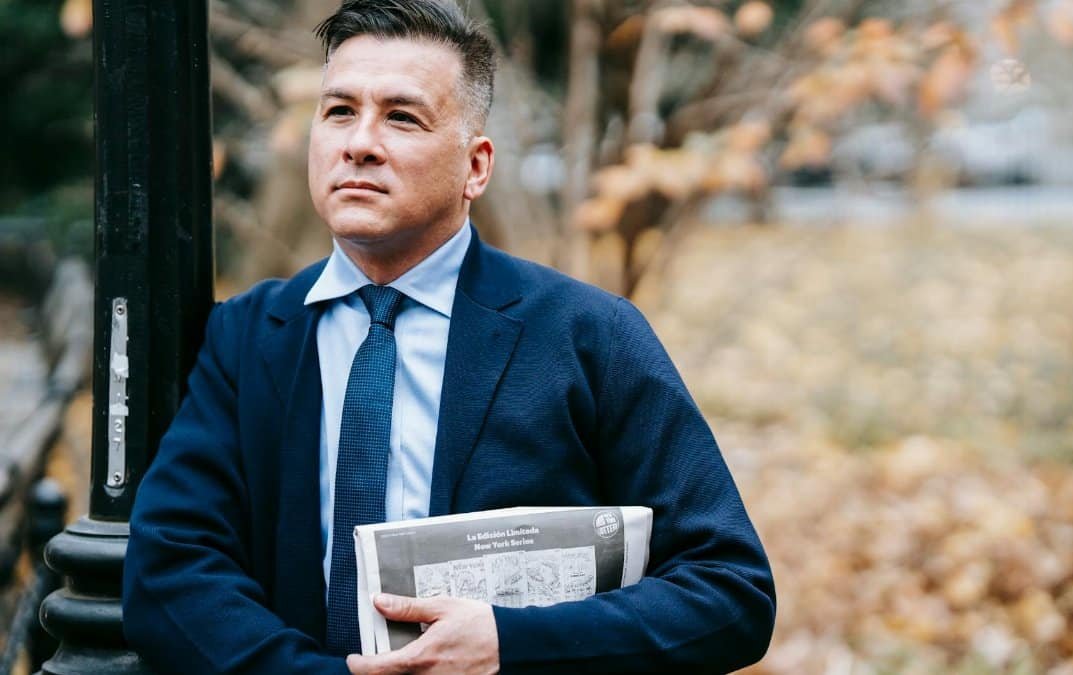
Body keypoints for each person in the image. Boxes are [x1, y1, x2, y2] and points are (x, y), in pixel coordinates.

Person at [122, 1, 775, 673]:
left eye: (401, 117)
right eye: (339, 111)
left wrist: (510, 645)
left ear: (476, 167)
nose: (360, 143)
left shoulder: (589, 334)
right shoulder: (249, 335)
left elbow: (731, 590)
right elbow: (170, 573)